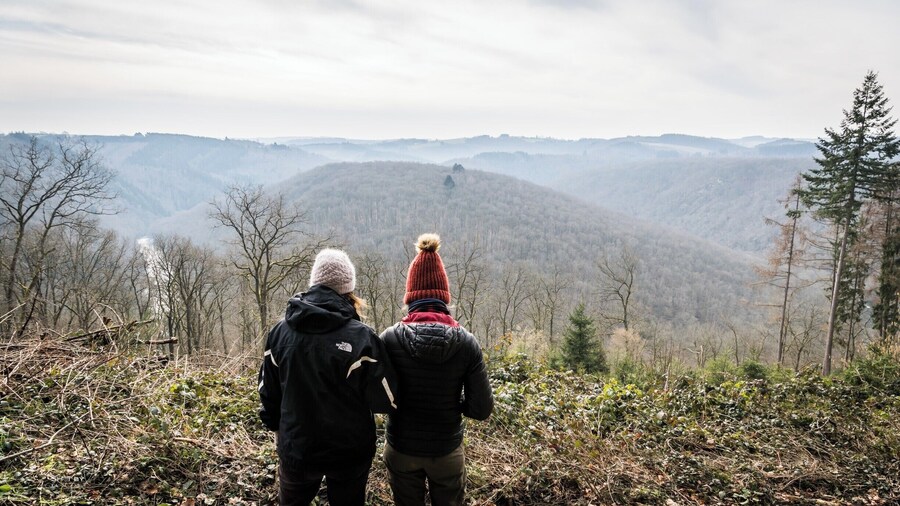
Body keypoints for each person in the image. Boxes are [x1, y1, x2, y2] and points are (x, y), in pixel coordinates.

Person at [258, 248, 398, 506]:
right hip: (349, 453)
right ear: (348, 289)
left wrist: (279, 429)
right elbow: (385, 399)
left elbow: (268, 391)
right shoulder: (362, 337)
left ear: (314, 283)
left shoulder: (280, 333)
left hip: (296, 448)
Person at [380, 233, 494, 506]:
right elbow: (482, 409)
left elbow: (378, 399)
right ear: (445, 296)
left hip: (402, 449)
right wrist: (455, 406)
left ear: (410, 296)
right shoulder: (467, 342)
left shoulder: (388, 339)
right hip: (446, 451)